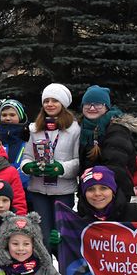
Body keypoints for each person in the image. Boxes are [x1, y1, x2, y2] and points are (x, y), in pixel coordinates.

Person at [22, 83, 80, 240]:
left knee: (61, 236)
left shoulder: (74, 129)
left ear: (63, 103)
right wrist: (28, 167)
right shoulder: (34, 129)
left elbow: (78, 161)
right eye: (46, 101)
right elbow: (26, 156)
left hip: (63, 191)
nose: (50, 104)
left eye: (54, 100)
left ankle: (64, 264)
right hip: (38, 190)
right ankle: (45, 264)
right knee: (42, 236)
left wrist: (60, 168)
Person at [78, 85, 137, 199]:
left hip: (114, 194)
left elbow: (116, 167)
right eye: (88, 104)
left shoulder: (117, 130)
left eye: (98, 104)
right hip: (90, 191)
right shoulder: (83, 129)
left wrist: (92, 174)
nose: (92, 108)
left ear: (107, 107)